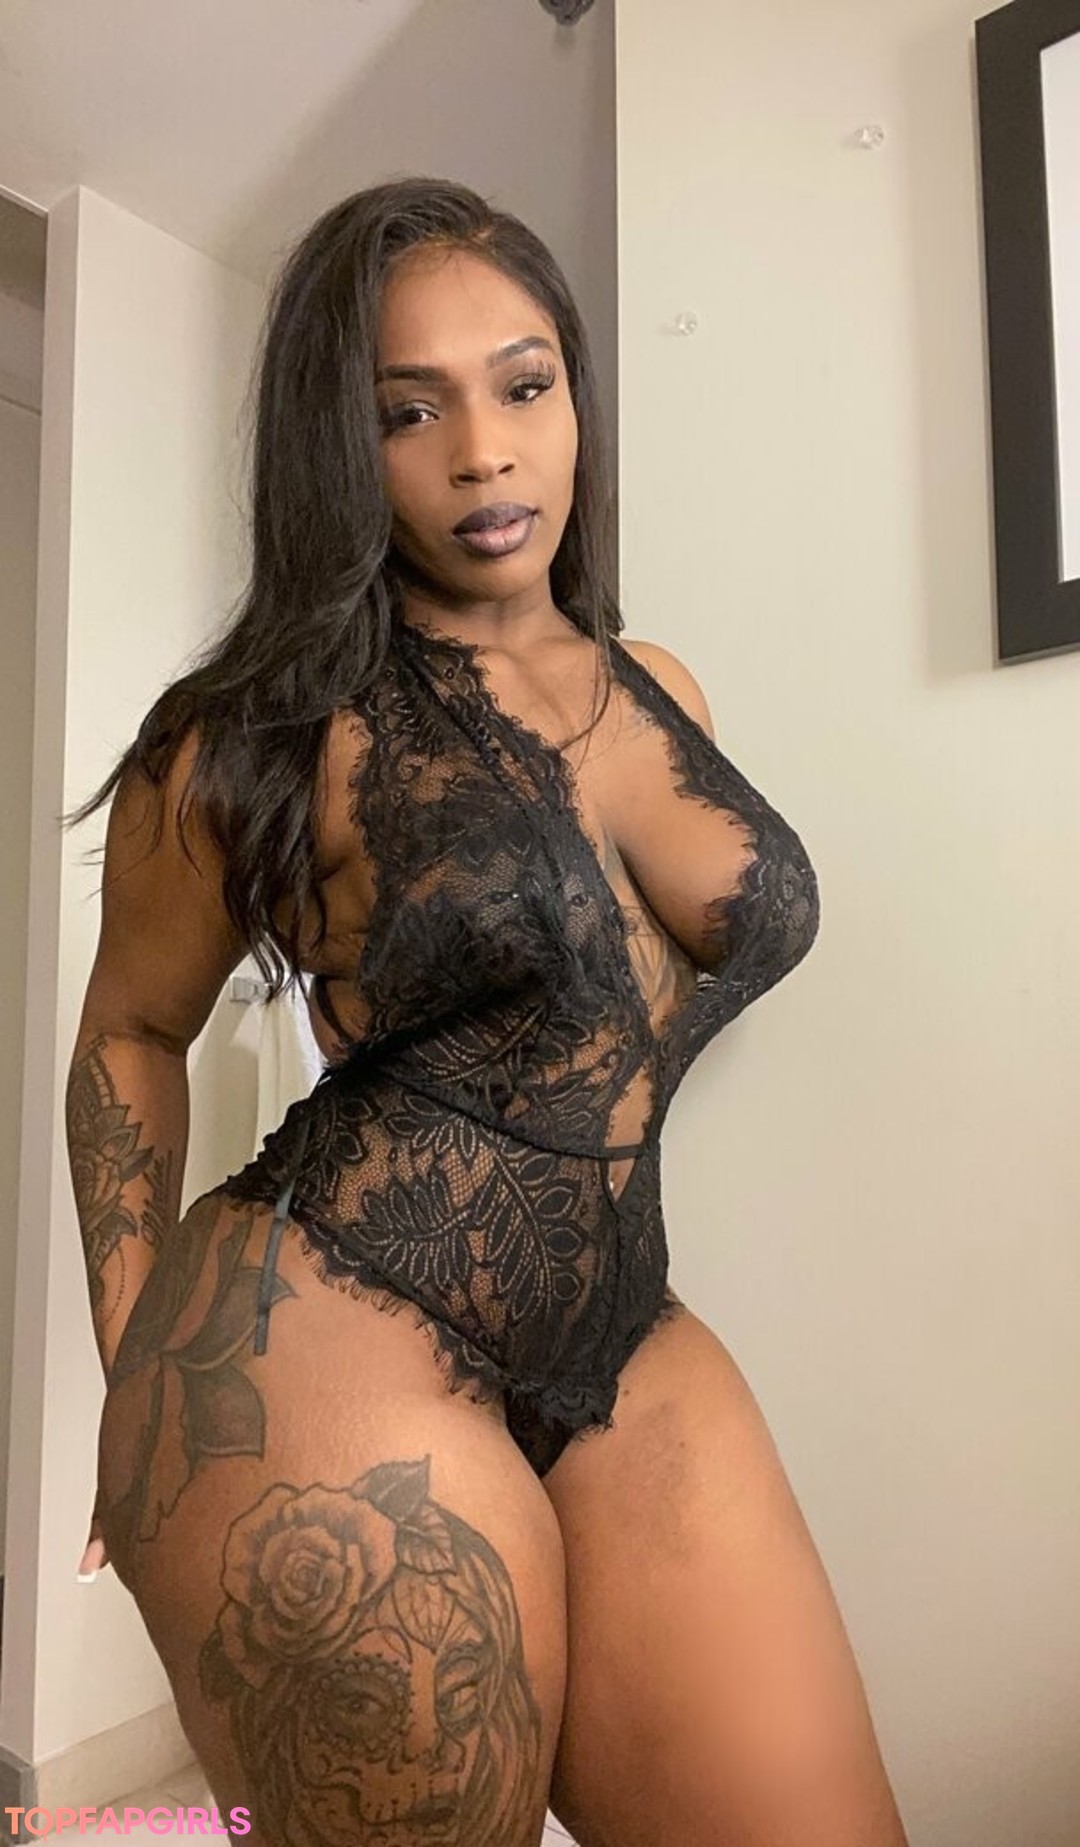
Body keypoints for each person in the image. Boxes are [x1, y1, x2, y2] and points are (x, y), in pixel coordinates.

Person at [65, 177, 908, 1847]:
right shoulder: (249, 731)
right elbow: (131, 1034)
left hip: (619, 1325)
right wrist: (143, 1373)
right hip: (329, 1327)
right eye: (409, 410)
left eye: (524, 385)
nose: (483, 452)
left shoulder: (664, 688)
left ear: (576, 396)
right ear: (339, 449)